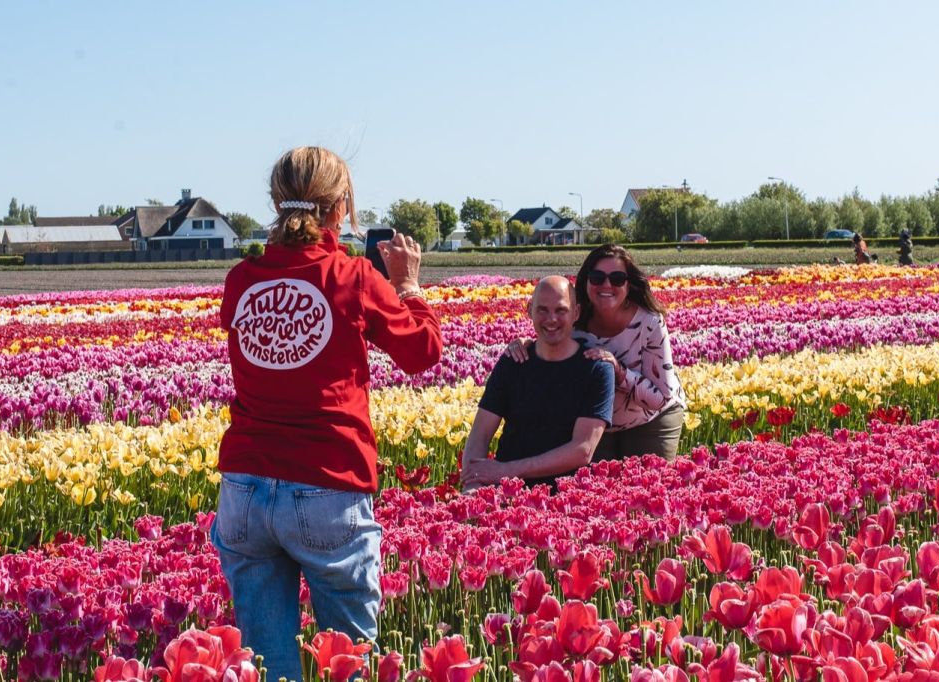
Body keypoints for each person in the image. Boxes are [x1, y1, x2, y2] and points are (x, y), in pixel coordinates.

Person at [212, 147, 442, 681]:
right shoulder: (353, 275)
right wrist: (408, 286)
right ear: (341, 207)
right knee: (347, 667)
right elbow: (421, 353)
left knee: (268, 667)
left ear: (274, 201)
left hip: (244, 486)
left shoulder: (241, 279)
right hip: (326, 483)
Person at [506, 245, 688, 461]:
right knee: (595, 487)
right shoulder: (574, 319)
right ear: (586, 281)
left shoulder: (648, 321)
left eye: (617, 278)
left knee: (648, 487)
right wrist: (527, 345)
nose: (607, 285)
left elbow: (660, 398)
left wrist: (619, 372)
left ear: (629, 284)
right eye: (597, 277)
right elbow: (550, 343)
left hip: (650, 418)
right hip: (595, 422)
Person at [461, 276, 614, 491]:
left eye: (561, 310)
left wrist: (505, 471)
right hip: (509, 493)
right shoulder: (513, 362)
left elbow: (583, 449)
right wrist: (473, 484)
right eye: (542, 310)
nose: (551, 319)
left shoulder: (595, 369)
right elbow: (481, 433)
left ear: (576, 313)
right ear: (529, 310)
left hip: (566, 497)